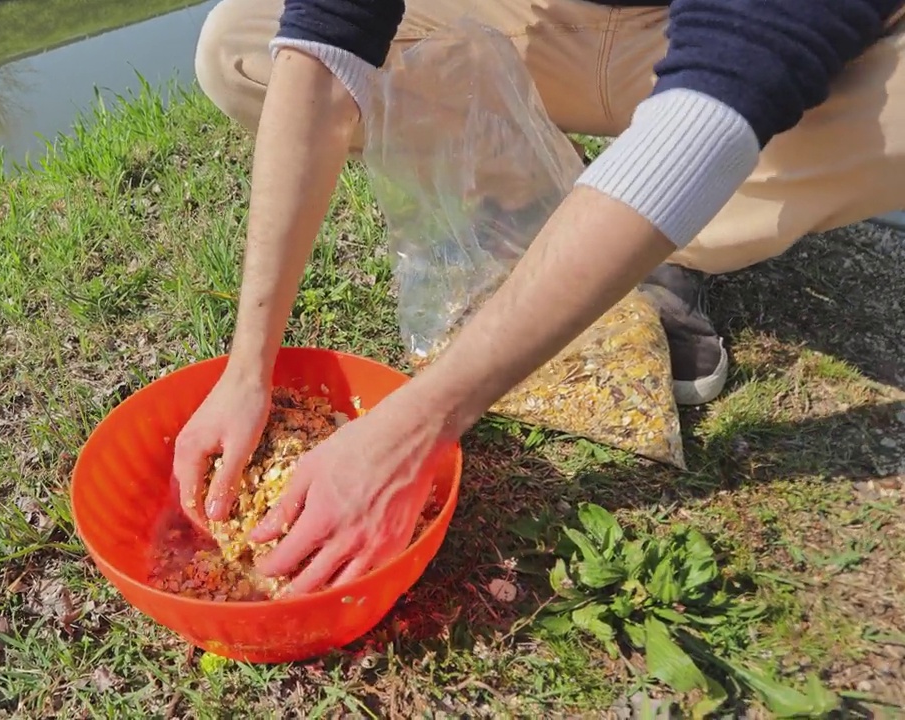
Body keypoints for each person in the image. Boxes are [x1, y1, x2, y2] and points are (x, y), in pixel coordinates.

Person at [172, 0, 905, 595]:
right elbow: (328, 40)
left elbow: (732, 83)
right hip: (551, 18)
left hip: (734, 33)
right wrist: (247, 369)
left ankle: (666, 243)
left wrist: (414, 428)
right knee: (241, 41)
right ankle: (548, 199)